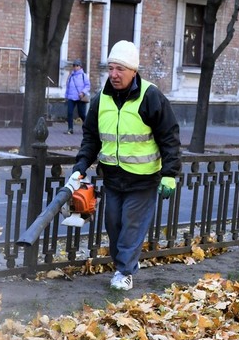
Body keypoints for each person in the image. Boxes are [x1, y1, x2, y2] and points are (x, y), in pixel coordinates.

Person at [67, 40, 181, 291]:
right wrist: (82, 164)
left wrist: (170, 174)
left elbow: (169, 138)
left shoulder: (151, 96)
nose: (114, 74)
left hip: (143, 179)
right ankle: (127, 263)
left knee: (131, 224)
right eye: (111, 68)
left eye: (120, 69)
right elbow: (91, 138)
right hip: (113, 178)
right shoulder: (101, 100)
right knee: (114, 224)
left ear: (133, 71)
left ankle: (124, 272)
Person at [64, 59, 91, 135]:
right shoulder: (71, 76)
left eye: (77, 65)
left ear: (80, 66)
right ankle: (70, 129)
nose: (75, 67)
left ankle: (88, 128)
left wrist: (83, 92)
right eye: (74, 65)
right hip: (71, 97)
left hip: (80, 97)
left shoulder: (83, 75)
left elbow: (87, 85)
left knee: (81, 114)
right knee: (69, 113)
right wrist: (66, 96)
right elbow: (68, 87)